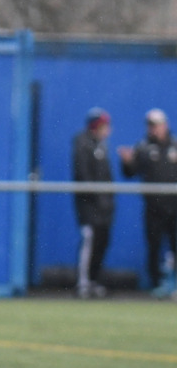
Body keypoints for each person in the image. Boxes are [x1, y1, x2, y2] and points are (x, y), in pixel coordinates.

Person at [119, 108, 177, 295]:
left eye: (157, 125)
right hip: (154, 207)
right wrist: (127, 162)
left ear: (165, 125)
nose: (154, 129)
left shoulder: (175, 145)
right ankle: (156, 284)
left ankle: (173, 283)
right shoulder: (142, 147)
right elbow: (130, 172)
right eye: (151, 125)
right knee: (154, 246)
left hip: (175, 206)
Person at [72, 107, 115, 299]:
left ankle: (94, 280)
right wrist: (97, 198)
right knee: (89, 241)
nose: (108, 130)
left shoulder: (101, 146)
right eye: (104, 125)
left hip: (104, 207)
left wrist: (108, 200)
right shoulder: (82, 144)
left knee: (102, 242)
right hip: (89, 206)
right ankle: (83, 283)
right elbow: (83, 175)